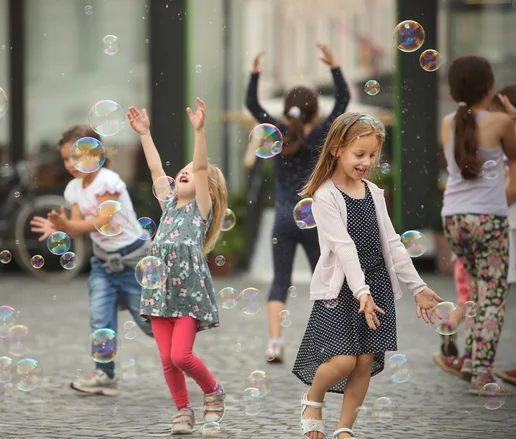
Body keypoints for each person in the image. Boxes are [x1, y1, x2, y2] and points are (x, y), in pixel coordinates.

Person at [292, 113, 444, 439]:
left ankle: (344, 428)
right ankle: (312, 398)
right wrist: (361, 292)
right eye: (359, 154)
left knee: (363, 363)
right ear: (336, 149)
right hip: (343, 289)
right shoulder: (325, 195)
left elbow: (392, 242)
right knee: (344, 361)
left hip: (375, 284)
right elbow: (344, 247)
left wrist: (417, 287)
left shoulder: (373, 192)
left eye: (372, 155)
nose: (366, 162)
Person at [127, 99, 228, 435]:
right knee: (167, 360)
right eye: (182, 168)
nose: (185, 171)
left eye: (191, 170)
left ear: (206, 189)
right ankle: (183, 411)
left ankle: (213, 392)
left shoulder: (200, 208)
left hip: (188, 294)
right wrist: (144, 134)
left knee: (182, 356)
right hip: (158, 289)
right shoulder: (168, 204)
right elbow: (157, 169)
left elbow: (201, 168)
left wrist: (199, 131)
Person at [244, 44, 350, 363]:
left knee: (280, 281)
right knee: (327, 279)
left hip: (282, 217)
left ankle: (275, 342)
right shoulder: (320, 134)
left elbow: (252, 104)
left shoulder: (277, 135)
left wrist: (255, 73)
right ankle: (331, 341)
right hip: (314, 218)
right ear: (314, 112)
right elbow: (342, 101)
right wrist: (334, 67)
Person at [29, 124, 153, 396]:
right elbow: (76, 225)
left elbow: (101, 221)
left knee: (147, 323)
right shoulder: (74, 188)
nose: (71, 164)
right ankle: (104, 375)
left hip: (133, 259)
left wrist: (67, 227)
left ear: (96, 155)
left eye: (77, 157)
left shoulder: (108, 181)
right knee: (100, 319)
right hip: (103, 263)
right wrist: (60, 227)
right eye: (65, 158)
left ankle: (180, 349)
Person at [433, 56, 516, 395]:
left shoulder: (448, 122)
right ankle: (482, 374)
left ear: (453, 92)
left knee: (478, 292)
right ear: (490, 87)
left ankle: (470, 361)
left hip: (453, 219)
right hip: (488, 220)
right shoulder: (500, 122)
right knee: (493, 296)